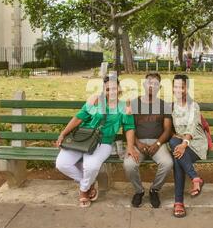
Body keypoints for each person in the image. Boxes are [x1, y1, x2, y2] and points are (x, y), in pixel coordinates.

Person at [55, 75, 139, 207]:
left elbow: (129, 127)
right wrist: (63, 134)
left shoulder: (124, 106)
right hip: (82, 139)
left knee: (91, 166)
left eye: (114, 88)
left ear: (119, 89)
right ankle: (89, 183)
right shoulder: (95, 101)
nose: (111, 92)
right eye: (107, 89)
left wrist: (130, 147)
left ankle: (83, 191)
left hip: (103, 142)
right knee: (62, 164)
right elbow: (79, 118)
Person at [124, 73, 173, 208]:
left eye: (155, 83)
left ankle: (154, 190)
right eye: (149, 83)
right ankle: (139, 191)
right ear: (144, 85)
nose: (151, 86)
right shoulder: (133, 103)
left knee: (167, 163)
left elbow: (168, 129)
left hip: (158, 142)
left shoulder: (164, 105)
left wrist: (157, 144)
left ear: (160, 87)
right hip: (137, 142)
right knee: (129, 165)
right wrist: (137, 143)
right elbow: (127, 127)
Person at [169, 74, 208, 218]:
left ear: (187, 88)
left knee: (177, 155)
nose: (179, 90)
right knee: (175, 147)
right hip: (179, 143)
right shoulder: (172, 106)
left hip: (196, 144)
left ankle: (179, 202)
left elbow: (191, 127)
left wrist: (184, 144)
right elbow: (170, 127)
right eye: (176, 86)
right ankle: (196, 178)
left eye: (182, 87)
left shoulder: (193, 105)